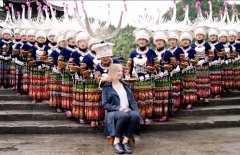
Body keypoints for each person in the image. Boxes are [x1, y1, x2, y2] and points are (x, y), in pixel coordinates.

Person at [102, 64, 141, 154]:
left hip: (127, 110)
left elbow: (133, 101)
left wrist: (136, 111)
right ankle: (116, 141)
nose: (120, 73)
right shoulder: (107, 87)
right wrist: (118, 108)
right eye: (117, 71)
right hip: (113, 111)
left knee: (135, 115)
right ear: (112, 72)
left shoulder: (125, 85)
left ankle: (125, 141)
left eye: (121, 71)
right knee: (123, 115)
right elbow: (105, 104)